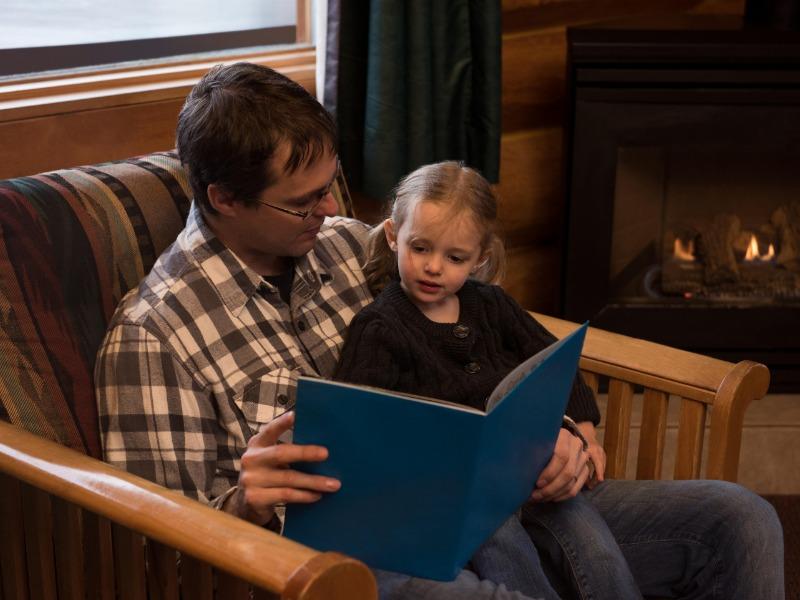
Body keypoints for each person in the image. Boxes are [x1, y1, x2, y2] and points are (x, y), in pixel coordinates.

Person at [95, 62, 785, 600]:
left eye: (332, 185)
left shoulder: (340, 246)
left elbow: (472, 311)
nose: (333, 209)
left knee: (737, 519)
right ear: (223, 199)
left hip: (490, 499)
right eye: (306, 201)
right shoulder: (154, 335)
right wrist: (245, 500)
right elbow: (159, 557)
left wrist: (575, 432)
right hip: (337, 563)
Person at [332, 160, 637, 598]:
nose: (434, 267)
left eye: (455, 258)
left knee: (597, 550)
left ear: (480, 258)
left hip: (531, 472)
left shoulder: (493, 305)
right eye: (420, 248)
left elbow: (556, 365)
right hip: (454, 498)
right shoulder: (378, 328)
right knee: (503, 544)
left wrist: (585, 437)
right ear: (392, 235)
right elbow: (362, 424)